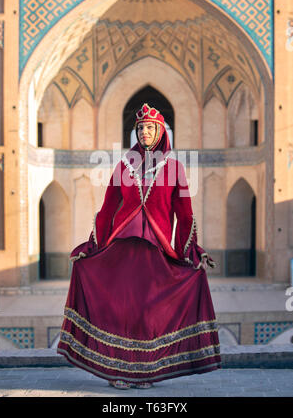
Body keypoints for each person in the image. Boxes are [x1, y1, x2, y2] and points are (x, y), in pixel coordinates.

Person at [57, 103, 221, 390]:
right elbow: (108, 209)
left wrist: (191, 251)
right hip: (121, 249)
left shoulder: (174, 168)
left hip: (154, 251)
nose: (145, 133)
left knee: (147, 313)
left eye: (150, 128)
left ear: (161, 131)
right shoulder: (124, 166)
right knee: (123, 311)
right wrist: (92, 247)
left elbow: (184, 214)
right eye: (141, 128)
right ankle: (117, 372)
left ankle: (144, 372)